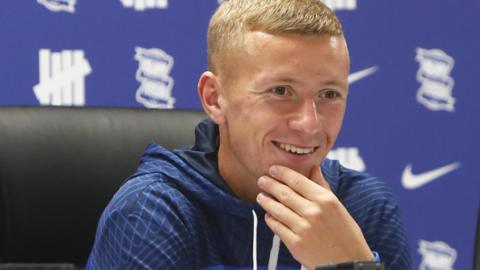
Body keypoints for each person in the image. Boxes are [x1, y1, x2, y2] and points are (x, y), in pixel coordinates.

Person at [86, 0, 413, 269]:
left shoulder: (366, 209)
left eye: (329, 95)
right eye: (281, 90)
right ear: (214, 98)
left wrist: (351, 264)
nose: (309, 124)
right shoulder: (153, 212)